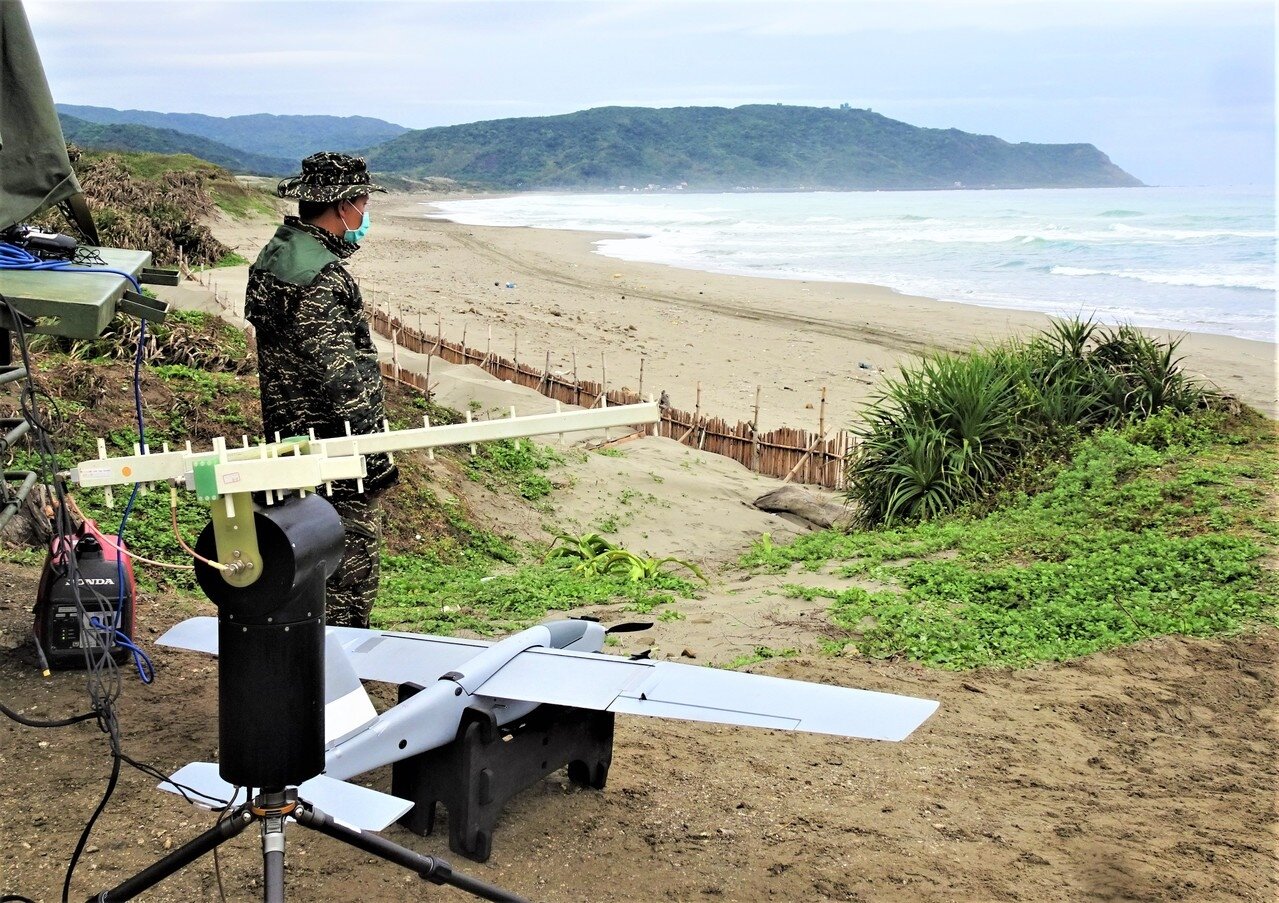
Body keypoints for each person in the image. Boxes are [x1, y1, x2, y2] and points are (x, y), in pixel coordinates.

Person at [245, 151, 398, 628]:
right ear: (342, 206)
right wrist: (376, 457)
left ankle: (308, 665)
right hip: (334, 449)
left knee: (304, 556)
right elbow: (342, 379)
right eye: (363, 203)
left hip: (288, 435)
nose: (365, 215)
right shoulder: (320, 278)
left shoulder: (275, 256)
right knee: (348, 567)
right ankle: (335, 680)